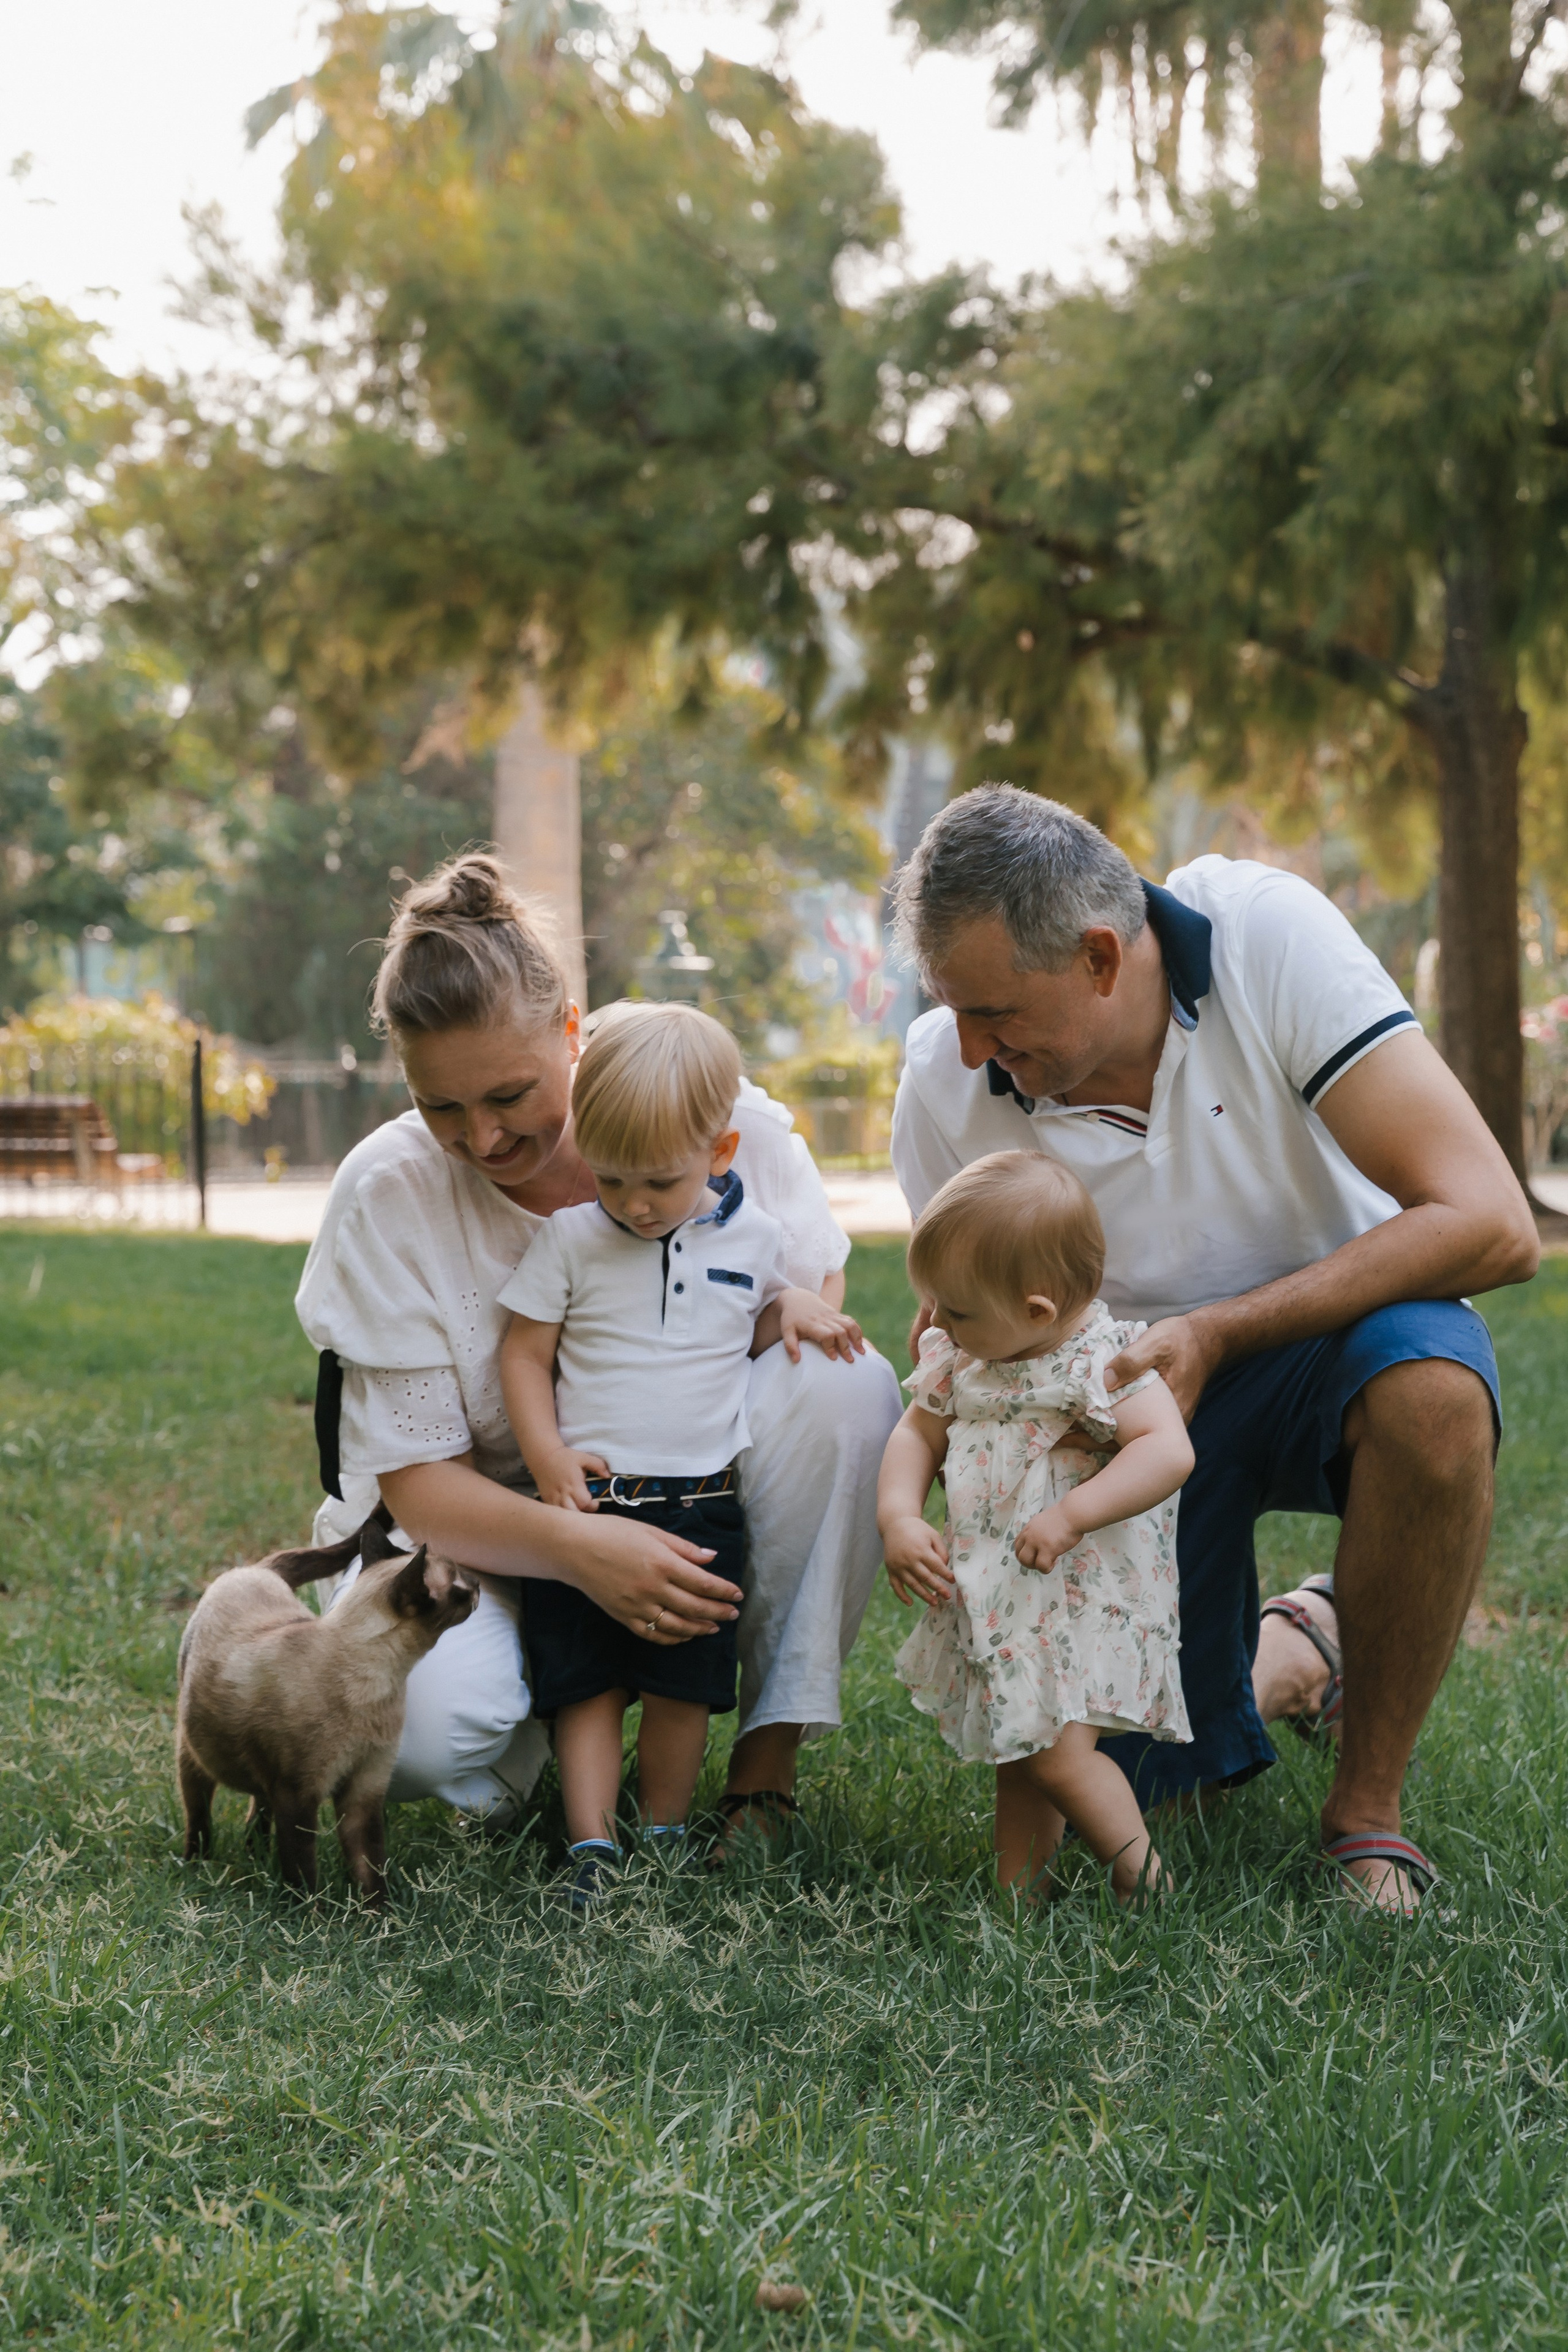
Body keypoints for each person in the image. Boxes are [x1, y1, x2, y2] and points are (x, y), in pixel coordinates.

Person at [889, 786, 1539, 1913]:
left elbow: (1490, 1220)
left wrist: (1222, 1331)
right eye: (950, 1007)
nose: (968, 1044)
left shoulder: (1264, 938)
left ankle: (1366, 1817)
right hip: (1119, 1416)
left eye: (992, 1011)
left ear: (1101, 957)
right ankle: (1304, 1644)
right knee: (1150, 1788)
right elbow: (967, 1334)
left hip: (1330, 1346)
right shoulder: (945, 1081)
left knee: (1434, 1392)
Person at [296, 853, 902, 1836]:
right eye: (439, 1105)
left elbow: (801, 1296)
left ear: (572, 1031)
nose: (483, 1138)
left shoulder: (706, 1111)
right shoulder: (387, 1193)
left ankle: (761, 1767)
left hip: (691, 1498)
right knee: (423, 1738)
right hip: (483, 1538)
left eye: (508, 1094)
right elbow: (416, 1482)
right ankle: (540, 1718)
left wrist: (666, 1480)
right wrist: (583, 1549)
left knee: (849, 1386)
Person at [498, 1001, 864, 1905]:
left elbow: (760, 1317)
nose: (630, 1203)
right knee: (585, 1688)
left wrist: (797, 1310)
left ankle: (661, 1830)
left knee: (682, 1690)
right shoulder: (572, 1239)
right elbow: (523, 1352)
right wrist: (545, 1454)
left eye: (656, 1182)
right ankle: (591, 1845)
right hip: (591, 1503)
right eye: (610, 1177)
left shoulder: (754, 1239)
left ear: (721, 1153)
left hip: (702, 1504)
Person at [879, 1152, 1193, 1902]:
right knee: (1020, 1741)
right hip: (1008, 1590)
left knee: (1055, 1750)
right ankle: (1020, 1895)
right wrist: (896, 1515)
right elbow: (914, 1437)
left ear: (1035, 1312)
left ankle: (1147, 1881)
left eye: (955, 1309)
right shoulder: (963, 1355)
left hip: (1080, 1593)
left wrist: (1072, 1514)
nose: (936, 1323)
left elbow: (1167, 1449)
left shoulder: (1100, 1364)